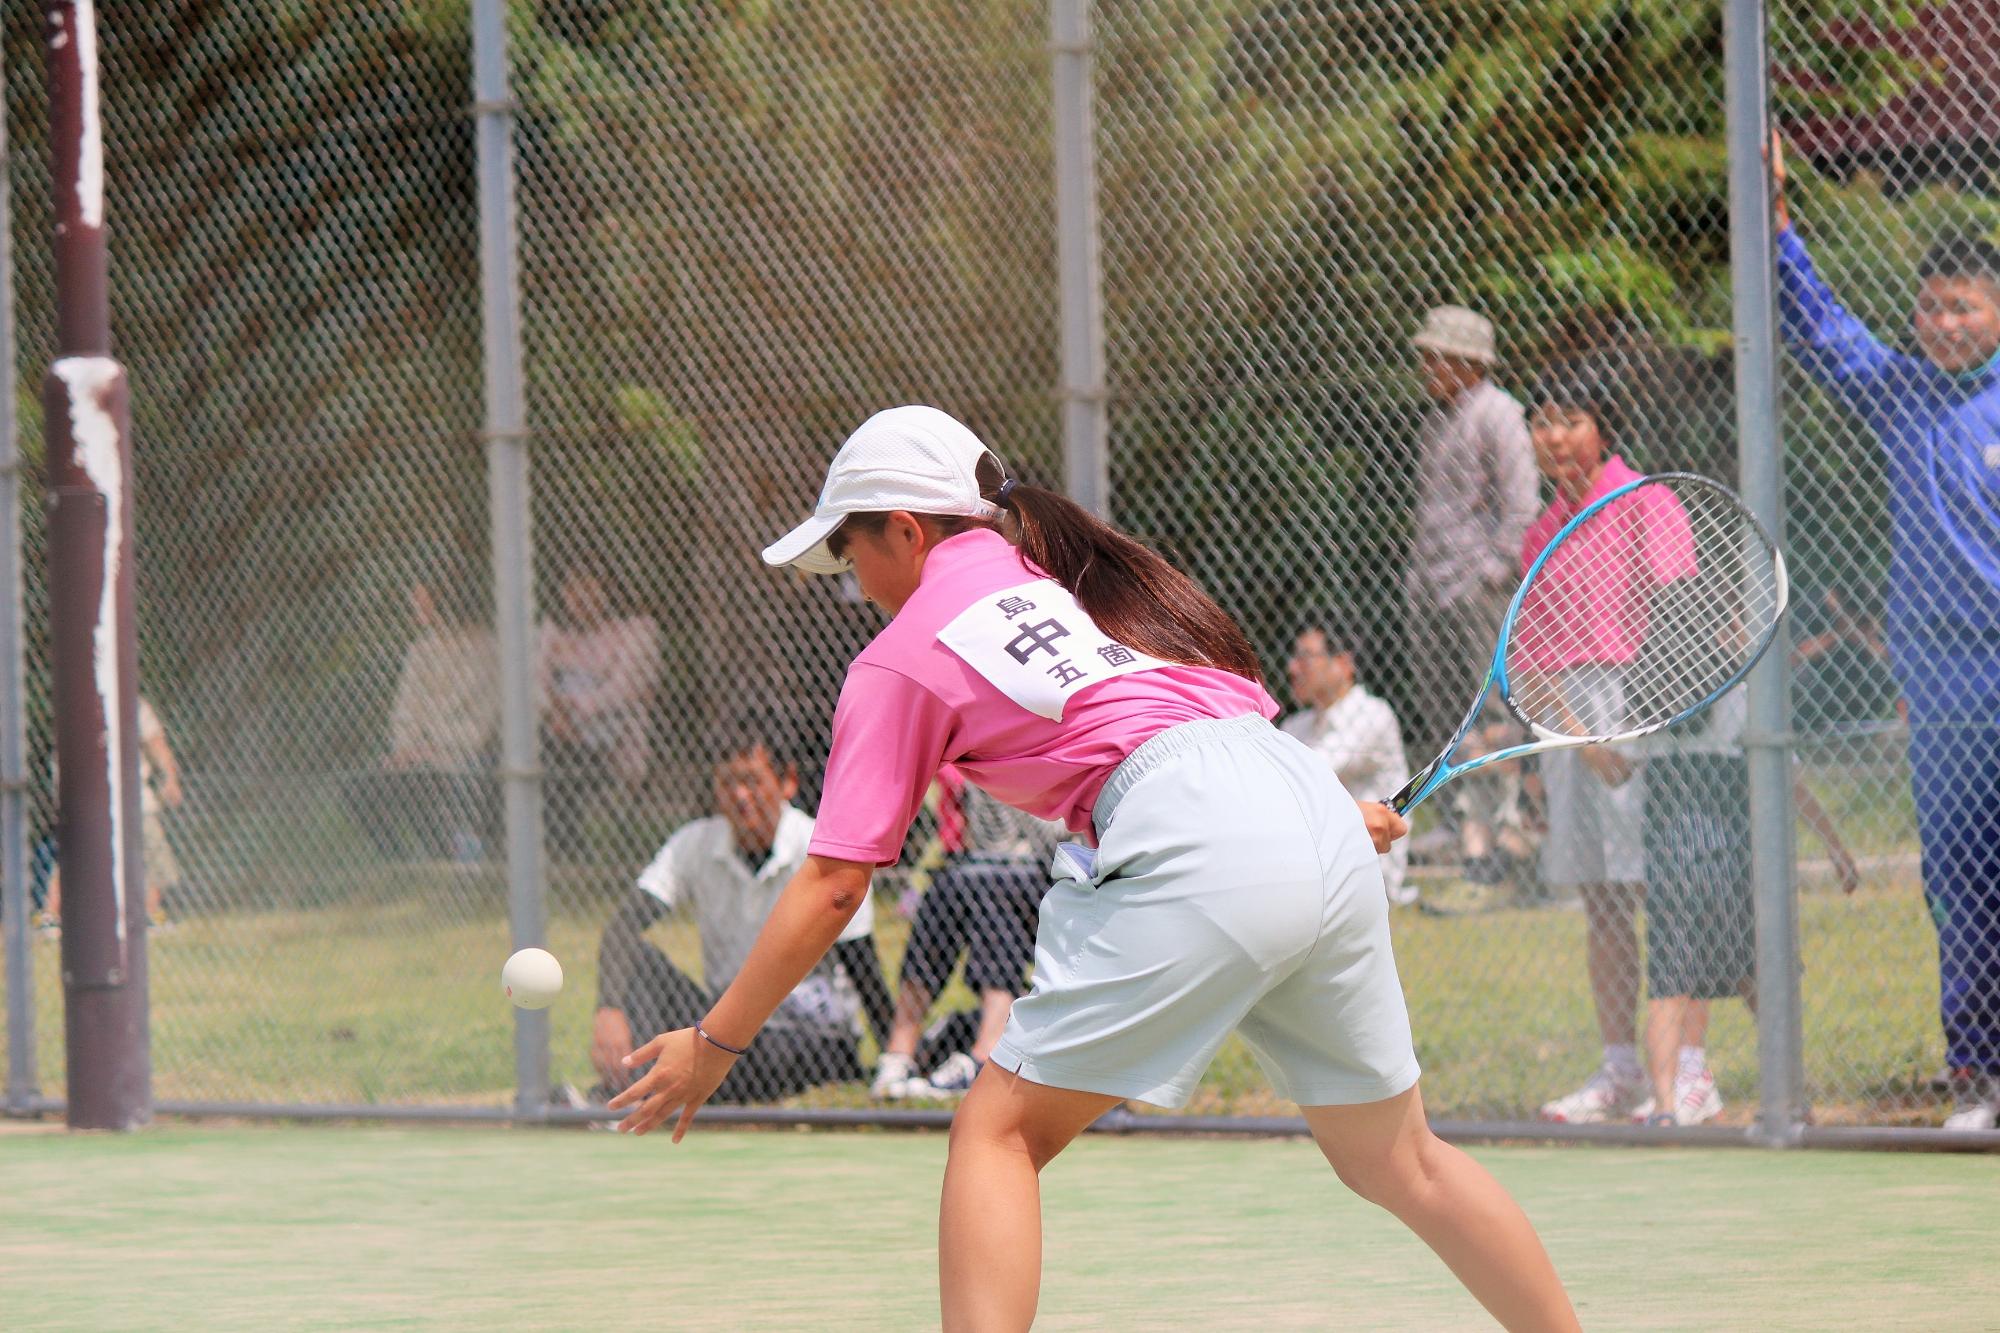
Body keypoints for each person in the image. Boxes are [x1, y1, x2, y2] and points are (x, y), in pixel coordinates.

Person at [607, 405, 1579, 1331]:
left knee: (995, 1132)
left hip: (1202, 831)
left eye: (849, 552)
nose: (852, 581)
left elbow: (832, 884)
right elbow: (1208, 725)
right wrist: (1315, 818)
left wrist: (714, 1041)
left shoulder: (900, 656)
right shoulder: (1079, 585)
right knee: (1399, 1160)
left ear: (903, 531)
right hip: (1291, 795)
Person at [1772, 139, 2000, 1131]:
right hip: (1943, 675)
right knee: (1956, 873)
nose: (1943, 323)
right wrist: (1777, 222)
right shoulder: (1900, 392)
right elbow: (1818, 328)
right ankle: (1977, 1078)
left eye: (1963, 306)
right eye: (1931, 307)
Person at [1518, 372, 1695, 1125]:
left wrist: (1635, 722)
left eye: (1571, 417)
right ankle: (1620, 1068)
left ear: (1603, 426)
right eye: (1541, 420)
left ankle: (1686, 1069)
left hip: (1639, 701)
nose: (1553, 434)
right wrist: (1576, 736)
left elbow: (1679, 619)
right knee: (1602, 898)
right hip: (1566, 720)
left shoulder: (1646, 500)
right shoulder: (1538, 528)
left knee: (1669, 892)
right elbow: (1526, 658)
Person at [589, 714, 889, 1104]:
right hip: (724, 1028)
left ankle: (660, 1096)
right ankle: (624, 1096)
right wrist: (609, 1009)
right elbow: (622, 928)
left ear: (787, 782)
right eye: (728, 783)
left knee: (755, 1055)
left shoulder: (823, 849)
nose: (741, 796)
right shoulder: (693, 843)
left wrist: (893, 1058)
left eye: (751, 780)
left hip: (810, 1035)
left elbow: (861, 964)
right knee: (639, 962)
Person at [1637, 686, 1861, 1127]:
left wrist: (1573, 724)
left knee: (1668, 990)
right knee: (1761, 983)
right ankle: (1791, 1102)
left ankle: (1665, 1108)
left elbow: (1614, 770)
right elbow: (1790, 783)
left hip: (1672, 864)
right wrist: (1835, 845)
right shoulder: (1743, 696)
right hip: (1733, 863)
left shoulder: (1649, 698)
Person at [1405, 306, 1541, 883]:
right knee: (1444, 712)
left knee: (1489, 710)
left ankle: (1503, 831)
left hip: (1479, 588)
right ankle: (1465, 827)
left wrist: (1491, 571)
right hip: (1432, 584)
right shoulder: (1439, 419)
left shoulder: (1499, 413)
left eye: (1436, 356)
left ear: (1469, 361)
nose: (1427, 366)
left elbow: (1521, 507)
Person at [871, 771, 1060, 1099]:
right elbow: (991, 843)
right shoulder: (987, 752)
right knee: (950, 885)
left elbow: (1061, 836)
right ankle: (900, 1056)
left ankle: (984, 1055)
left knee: (990, 886)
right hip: (999, 874)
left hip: (1060, 875)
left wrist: (1016, 788)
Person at [341, 577, 498, 862]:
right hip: (419, 753)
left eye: (423, 601)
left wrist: (432, 746)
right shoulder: (421, 649)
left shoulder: (486, 647)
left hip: (467, 753)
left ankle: (456, 855)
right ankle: (401, 864)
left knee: (447, 779)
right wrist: (405, 749)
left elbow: (482, 725)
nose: (415, 608)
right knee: (358, 788)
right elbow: (405, 711)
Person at [1280, 623, 1414, 906]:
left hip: (1369, 875)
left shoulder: (1372, 715)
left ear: (1342, 664)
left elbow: (1299, 779)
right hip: (1310, 868)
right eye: (1294, 658)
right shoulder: (1296, 725)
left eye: (1306, 657)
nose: (1293, 668)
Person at [536, 563, 661, 856]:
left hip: (613, 734)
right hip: (557, 727)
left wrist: (572, 711)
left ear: (608, 590)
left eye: (590, 587)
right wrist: (555, 713)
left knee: (557, 750)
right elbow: (536, 683)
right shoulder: (554, 631)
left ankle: (564, 847)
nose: (580, 597)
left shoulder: (637, 630)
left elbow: (622, 690)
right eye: (572, 588)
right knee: (549, 747)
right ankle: (558, 846)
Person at [41, 694, 185, 931]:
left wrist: (170, 777)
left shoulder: (133, 705)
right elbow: (62, 756)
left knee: (152, 853)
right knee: (73, 856)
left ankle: (147, 915)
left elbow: (156, 742)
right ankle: (51, 916)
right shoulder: (79, 702)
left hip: (134, 797)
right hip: (89, 796)